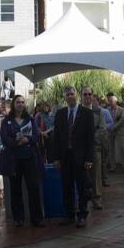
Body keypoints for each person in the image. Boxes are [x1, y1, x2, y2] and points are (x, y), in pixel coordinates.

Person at [52, 85, 96, 228]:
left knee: (82, 187)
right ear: (64, 97)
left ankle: (82, 215)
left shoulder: (87, 113)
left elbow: (90, 138)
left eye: (72, 93)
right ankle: (70, 215)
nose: (70, 96)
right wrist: (56, 158)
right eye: (67, 94)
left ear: (76, 95)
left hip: (81, 157)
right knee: (67, 187)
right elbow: (56, 138)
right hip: (65, 157)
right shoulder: (60, 114)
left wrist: (89, 159)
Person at [0, 95, 44, 227]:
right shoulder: (7, 120)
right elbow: (4, 138)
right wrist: (17, 142)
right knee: (15, 189)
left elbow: (36, 136)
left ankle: (37, 218)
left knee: (33, 188)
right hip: (14, 159)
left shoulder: (30, 119)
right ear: (13, 104)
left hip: (29, 158)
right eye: (18, 102)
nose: (20, 104)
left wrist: (27, 140)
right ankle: (18, 218)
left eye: (23, 102)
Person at [106, 93, 124, 175]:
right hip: (110, 131)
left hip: (119, 131)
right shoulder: (107, 110)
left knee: (122, 148)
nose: (110, 102)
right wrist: (109, 127)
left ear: (115, 101)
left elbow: (122, 120)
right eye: (109, 101)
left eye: (111, 101)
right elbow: (106, 120)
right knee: (111, 149)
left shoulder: (122, 109)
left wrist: (114, 127)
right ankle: (112, 166)